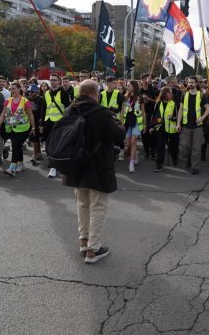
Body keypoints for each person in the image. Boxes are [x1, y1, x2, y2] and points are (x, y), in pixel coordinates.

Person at [61, 80, 124, 264]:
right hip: (98, 166)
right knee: (98, 206)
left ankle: (84, 241)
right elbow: (118, 137)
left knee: (82, 204)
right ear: (95, 94)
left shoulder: (69, 110)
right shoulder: (101, 113)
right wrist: (118, 123)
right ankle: (93, 250)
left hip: (75, 165)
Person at [0, 82, 35, 176]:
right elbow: (3, 114)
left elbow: (30, 115)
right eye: (10, 88)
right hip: (11, 128)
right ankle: (21, 165)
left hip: (23, 128)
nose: (11, 90)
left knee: (16, 145)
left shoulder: (25, 101)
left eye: (13, 88)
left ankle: (12, 167)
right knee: (17, 145)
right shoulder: (8, 100)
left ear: (19, 89)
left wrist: (33, 127)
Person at [177, 76, 209, 174]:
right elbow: (180, 110)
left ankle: (195, 167)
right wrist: (178, 123)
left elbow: (208, 109)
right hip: (186, 125)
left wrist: (202, 118)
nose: (190, 84)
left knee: (196, 148)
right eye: (189, 82)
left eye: (192, 82)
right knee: (185, 146)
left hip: (197, 126)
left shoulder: (201, 95)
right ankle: (189, 158)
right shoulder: (184, 94)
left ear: (196, 84)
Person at [42, 74, 71, 178]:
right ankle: (53, 162)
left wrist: (66, 122)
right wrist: (41, 123)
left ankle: (54, 167)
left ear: (59, 81)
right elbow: (44, 108)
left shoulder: (63, 93)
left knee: (56, 144)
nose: (52, 82)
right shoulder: (47, 93)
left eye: (54, 80)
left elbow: (68, 108)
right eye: (51, 80)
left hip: (59, 122)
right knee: (48, 144)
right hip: (48, 121)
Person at [150, 87, 179, 171]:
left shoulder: (173, 104)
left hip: (171, 129)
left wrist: (172, 118)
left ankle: (175, 158)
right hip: (160, 128)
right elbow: (154, 115)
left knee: (172, 147)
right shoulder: (158, 103)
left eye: (171, 93)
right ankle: (159, 164)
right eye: (169, 93)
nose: (171, 94)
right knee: (160, 147)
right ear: (164, 94)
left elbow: (177, 117)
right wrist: (152, 126)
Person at [121, 81, 145, 173]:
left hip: (136, 122)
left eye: (129, 85)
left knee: (133, 141)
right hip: (127, 122)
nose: (127, 87)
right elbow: (122, 110)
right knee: (128, 144)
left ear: (134, 87)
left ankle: (131, 164)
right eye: (127, 86)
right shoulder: (125, 97)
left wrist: (145, 125)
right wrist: (121, 123)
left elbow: (143, 112)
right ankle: (135, 154)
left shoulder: (140, 98)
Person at [26, 84, 46, 165]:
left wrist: (41, 121)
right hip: (30, 121)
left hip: (38, 120)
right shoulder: (27, 99)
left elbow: (43, 110)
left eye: (32, 91)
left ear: (37, 91)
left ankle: (34, 155)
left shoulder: (41, 99)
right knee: (34, 138)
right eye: (29, 91)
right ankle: (39, 153)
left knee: (36, 138)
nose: (30, 93)